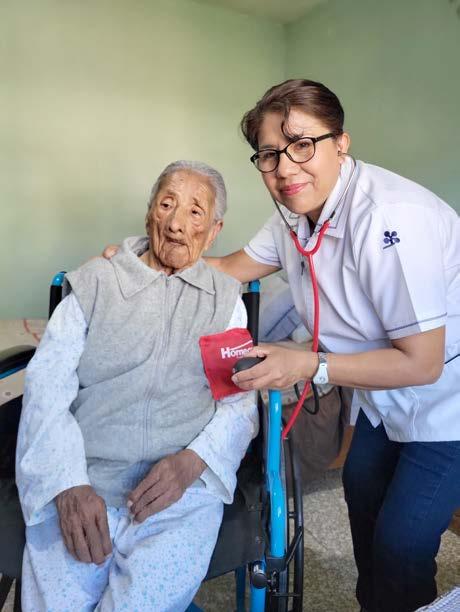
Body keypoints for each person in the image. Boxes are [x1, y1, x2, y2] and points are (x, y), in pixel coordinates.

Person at [102, 79, 460, 612]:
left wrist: (308, 364)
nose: (285, 168)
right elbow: (229, 268)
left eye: (302, 145)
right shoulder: (293, 215)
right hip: (383, 400)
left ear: (341, 143)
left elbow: (423, 363)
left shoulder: (391, 219)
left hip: (446, 400)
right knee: (363, 508)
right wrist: (140, 259)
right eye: (269, 154)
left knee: (401, 543)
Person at [16, 160, 258, 612]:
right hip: (85, 480)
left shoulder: (225, 302)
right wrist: (67, 484)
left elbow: (239, 404)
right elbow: (46, 389)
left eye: (195, 212)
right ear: (149, 213)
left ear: (213, 232)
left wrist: (192, 463)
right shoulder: (95, 283)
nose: (176, 223)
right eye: (167, 204)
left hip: (179, 497)